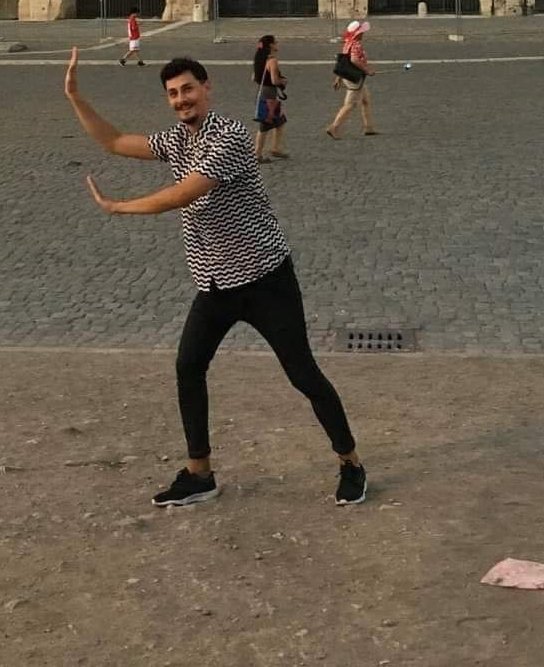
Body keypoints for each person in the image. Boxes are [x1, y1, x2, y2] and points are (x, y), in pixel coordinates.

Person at [64, 48, 366, 509]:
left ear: (207, 88)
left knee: (302, 373)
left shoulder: (230, 136)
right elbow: (116, 141)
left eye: (188, 89)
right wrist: (76, 98)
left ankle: (350, 462)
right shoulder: (177, 139)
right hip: (216, 284)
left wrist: (117, 206)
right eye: (172, 93)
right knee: (189, 367)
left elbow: (182, 194)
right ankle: (200, 473)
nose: (181, 99)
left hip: (265, 280)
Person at [326, 19, 378, 139]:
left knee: (365, 100)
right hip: (355, 78)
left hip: (352, 77)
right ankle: (334, 127)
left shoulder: (348, 43)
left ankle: (368, 127)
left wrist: (338, 79)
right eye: (361, 32)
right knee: (350, 104)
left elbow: (343, 62)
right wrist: (367, 70)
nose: (363, 33)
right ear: (358, 33)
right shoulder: (356, 44)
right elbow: (354, 60)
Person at [251, 33, 288, 162]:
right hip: (269, 96)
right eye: (276, 42)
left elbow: (254, 78)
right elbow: (274, 80)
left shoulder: (260, 60)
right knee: (265, 125)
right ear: (271, 45)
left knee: (280, 122)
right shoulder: (272, 61)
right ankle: (257, 154)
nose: (277, 44)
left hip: (265, 94)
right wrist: (283, 81)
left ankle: (275, 148)